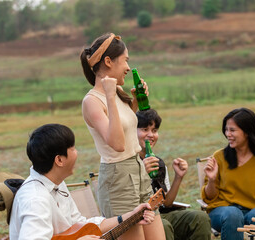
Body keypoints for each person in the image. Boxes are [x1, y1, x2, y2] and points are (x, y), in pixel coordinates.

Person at [80, 33, 165, 240]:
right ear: (108, 61)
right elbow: (117, 143)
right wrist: (109, 95)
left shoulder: (117, 90)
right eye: (125, 60)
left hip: (138, 170)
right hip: (117, 179)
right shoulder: (92, 101)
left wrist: (135, 100)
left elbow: (126, 127)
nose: (128, 67)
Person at [8, 124, 155, 240]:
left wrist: (128, 216)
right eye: (72, 148)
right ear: (59, 160)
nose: (77, 152)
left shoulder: (56, 183)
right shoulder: (35, 199)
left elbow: (78, 224)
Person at [202, 108, 255, 240]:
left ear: (248, 132)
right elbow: (209, 198)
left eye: (232, 130)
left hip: (252, 211)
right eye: (226, 130)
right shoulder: (219, 157)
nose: (228, 134)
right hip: (222, 212)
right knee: (233, 214)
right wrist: (211, 180)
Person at [136, 109, 212, 240]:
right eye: (144, 129)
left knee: (200, 218)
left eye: (154, 130)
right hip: (140, 219)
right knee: (163, 225)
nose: (151, 135)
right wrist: (142, 174)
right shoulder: (127, 164)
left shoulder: (158, 163)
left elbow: (167, 203)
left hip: (162, 214)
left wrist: (178, 177)